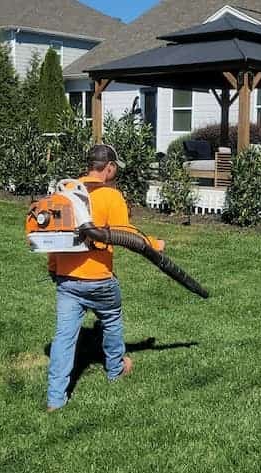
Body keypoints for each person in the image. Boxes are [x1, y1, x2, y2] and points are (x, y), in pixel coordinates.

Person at [45, 144, 164, 412]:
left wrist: (54, 266)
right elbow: (127, 234)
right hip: (98, 279)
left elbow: (55, 235)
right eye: (114, 168)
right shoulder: (110, 195)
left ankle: (55, 399)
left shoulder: (66, 192)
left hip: (67, 278)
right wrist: (155, 245)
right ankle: (115, 370)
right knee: (111, 319)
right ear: (108, 167)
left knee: (64, 337)